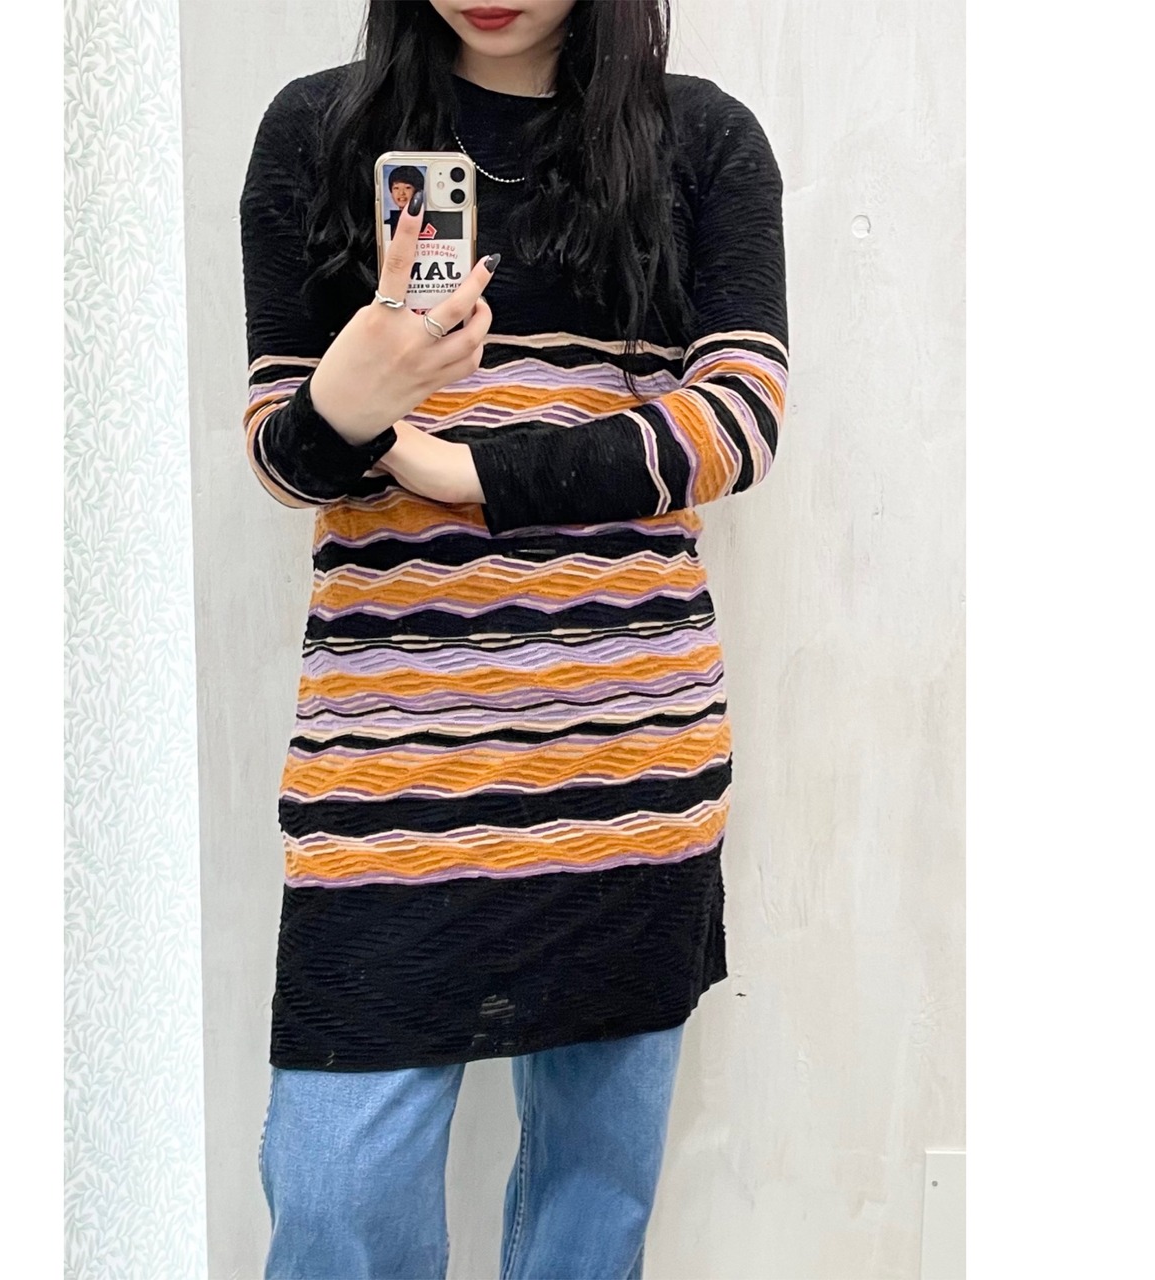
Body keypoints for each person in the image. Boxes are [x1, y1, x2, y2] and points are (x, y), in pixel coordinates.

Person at [238, 0, 788, 1275]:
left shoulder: (698, 139)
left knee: (590, 1211)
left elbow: (738, 420)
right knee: (333, 1200)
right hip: (388, 774)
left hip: (626, 763)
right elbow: (282, 453)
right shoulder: (319, 132)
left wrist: (461, 468)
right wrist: (344, 399)